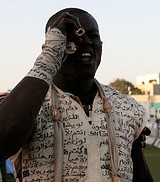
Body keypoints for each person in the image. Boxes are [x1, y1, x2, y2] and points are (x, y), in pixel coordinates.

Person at [0, 8, 154, 182]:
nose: (86, 41)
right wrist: (49, 58)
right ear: (54, 43)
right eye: (73, 36)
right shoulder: (28, 103)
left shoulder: (126, 107)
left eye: (93, 35)